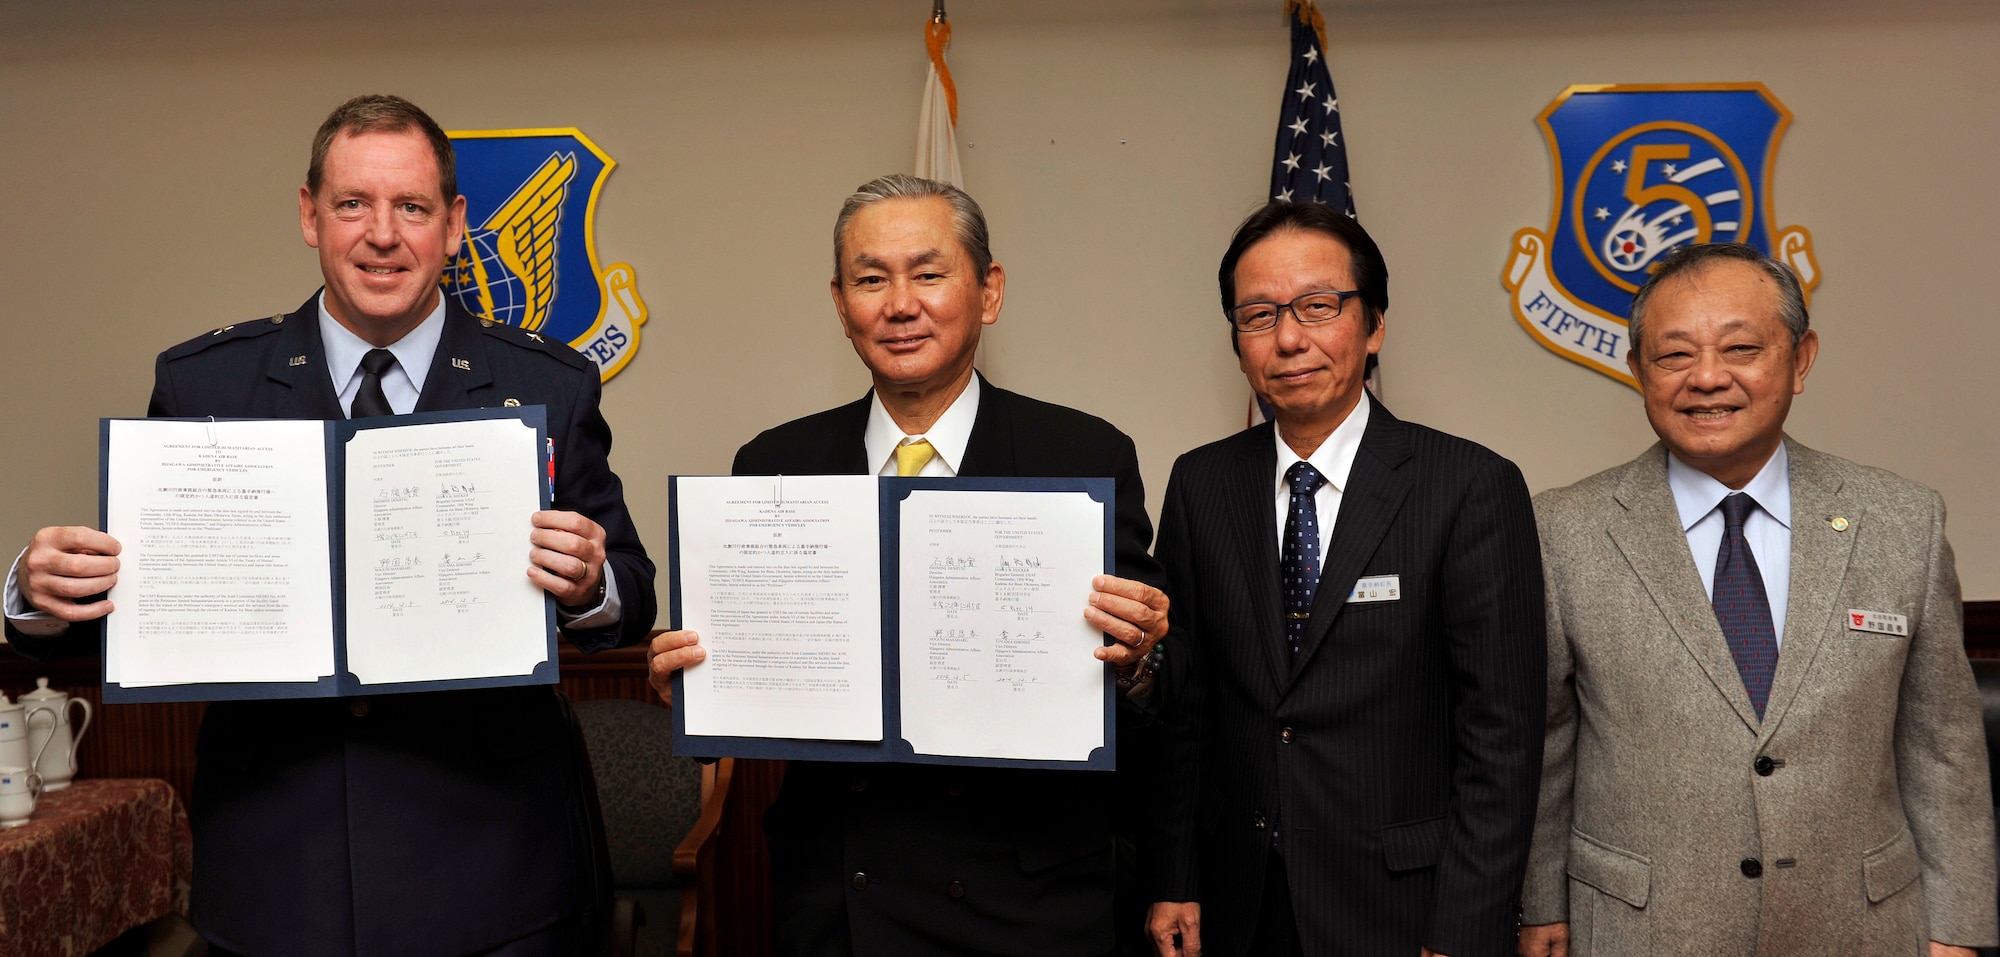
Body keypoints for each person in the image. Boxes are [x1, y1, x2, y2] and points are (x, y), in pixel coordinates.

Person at [3, 94, 657, 956]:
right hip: (278, 869)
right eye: (353, 203)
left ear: (455, 224)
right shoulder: (208, 387)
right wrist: (36, 592)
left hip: (492, 872)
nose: (382, 234)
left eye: (412, 207)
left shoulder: (547, 387)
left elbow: (632, 598)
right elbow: (134, 593)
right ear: (310, 214)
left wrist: (590, 582)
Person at [645, 173, 1171, 956]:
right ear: (839, 302)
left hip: (1025, 903)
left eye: (928, 273)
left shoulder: (1082, 454)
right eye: (870, 279)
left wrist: (1141, 659)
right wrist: (695, 683)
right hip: (838, 906)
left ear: (988, 290)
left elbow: (1142, 693)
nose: (899, 304)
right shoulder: (775, 463)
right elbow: (758, 684)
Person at [1518, 242, 1996, 956]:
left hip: (1862, 929)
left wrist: (1957, 927)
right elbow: (1545, 741)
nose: (1708, 378)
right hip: (1644, 929)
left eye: (1740, 347)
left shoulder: (1902, 521)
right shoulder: (1561, 530)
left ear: (1800, 359)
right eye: (1674, 355)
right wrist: (1538, 904)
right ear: (1637, 371)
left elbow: (1943, 749)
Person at [1144, 201, 1547, 957]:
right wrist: (1174, 873)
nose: (1289, 338)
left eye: (1318, 307)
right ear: (1237, 343)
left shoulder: (1469, 486)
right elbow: (1186, 711)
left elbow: (1502, 740)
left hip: (1403, 907)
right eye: (1259, 315)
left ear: (1375, 326)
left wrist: (1463, 929)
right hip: (1239, 903)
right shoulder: (1202, 484)